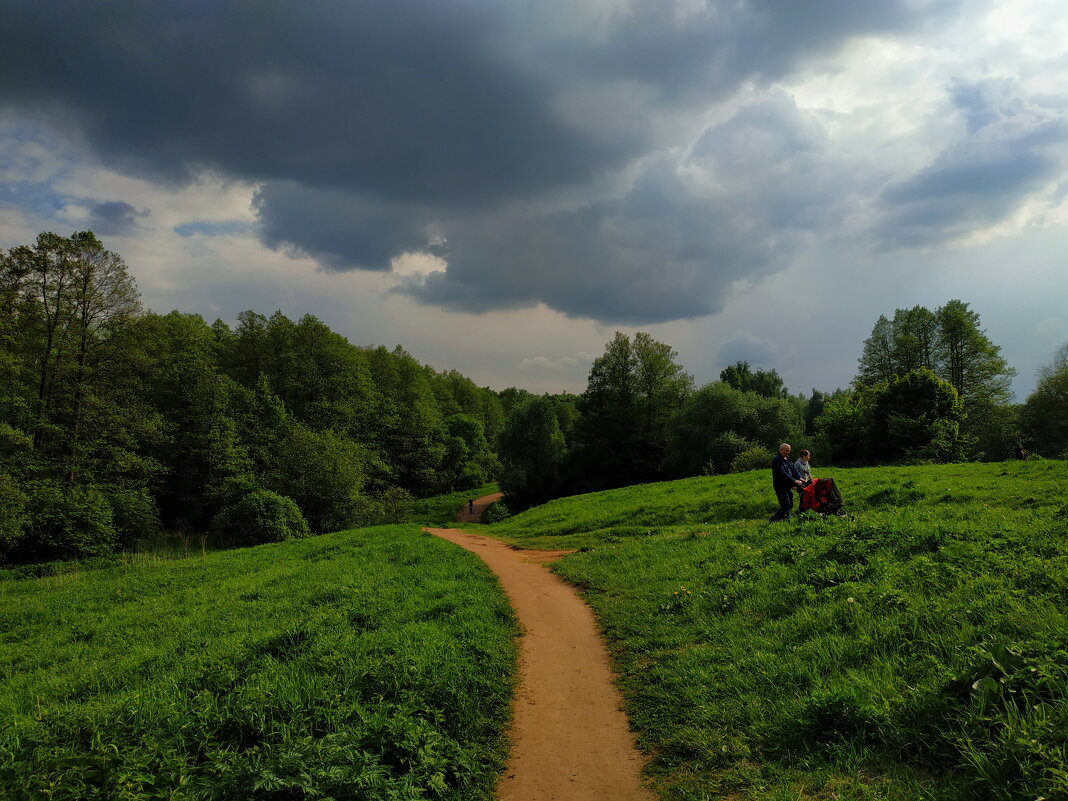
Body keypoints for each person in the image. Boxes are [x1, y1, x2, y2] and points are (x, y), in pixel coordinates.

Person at [769, 443, 804, 522]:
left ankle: (775, 519)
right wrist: (794, 480)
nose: (788, 452)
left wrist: (800, 478)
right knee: (786, 505)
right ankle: (787, 521)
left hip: (788, 486)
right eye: (787, 450)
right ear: (781, 450)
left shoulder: (787, 459)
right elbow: (782, 473)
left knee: (790, 505)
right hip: (780, 486)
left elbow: (793, 469)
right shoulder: (777, 460)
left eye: (789, 450)